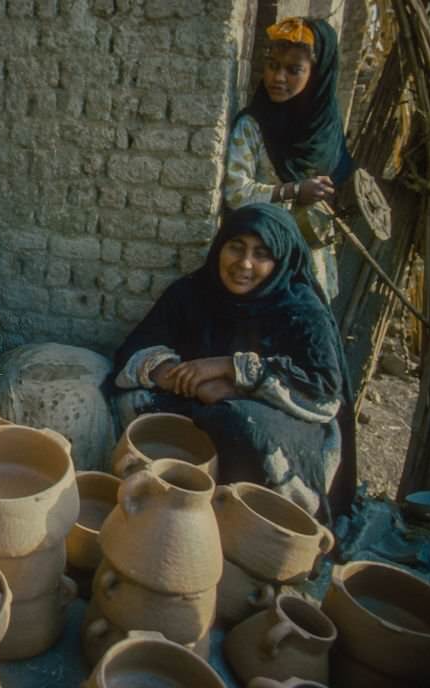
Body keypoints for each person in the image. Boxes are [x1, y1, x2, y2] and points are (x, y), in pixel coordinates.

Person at [112, 204, 356, 521]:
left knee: (240, 425)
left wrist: (232, 371)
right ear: (220, 247)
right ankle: (170, 512)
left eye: (262, 254)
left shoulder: (302, 311)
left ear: (280, 261)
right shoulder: (195, 291)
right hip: (199, 401)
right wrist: (179, 376)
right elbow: (135, 349)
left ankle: (247, 524)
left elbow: (323, 394)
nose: (244, 263)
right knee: (138, 404)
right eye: (236, 248)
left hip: (283, 419)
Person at [223, 16, 354, 302]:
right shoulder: (253, 125)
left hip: (311, 258)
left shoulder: (326, 129)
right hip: (260, 262)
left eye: (293, 70)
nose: (277, 78)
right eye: (273, 66)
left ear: (317, 75)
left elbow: (342, 177)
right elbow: (235, 193)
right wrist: (294, 190)